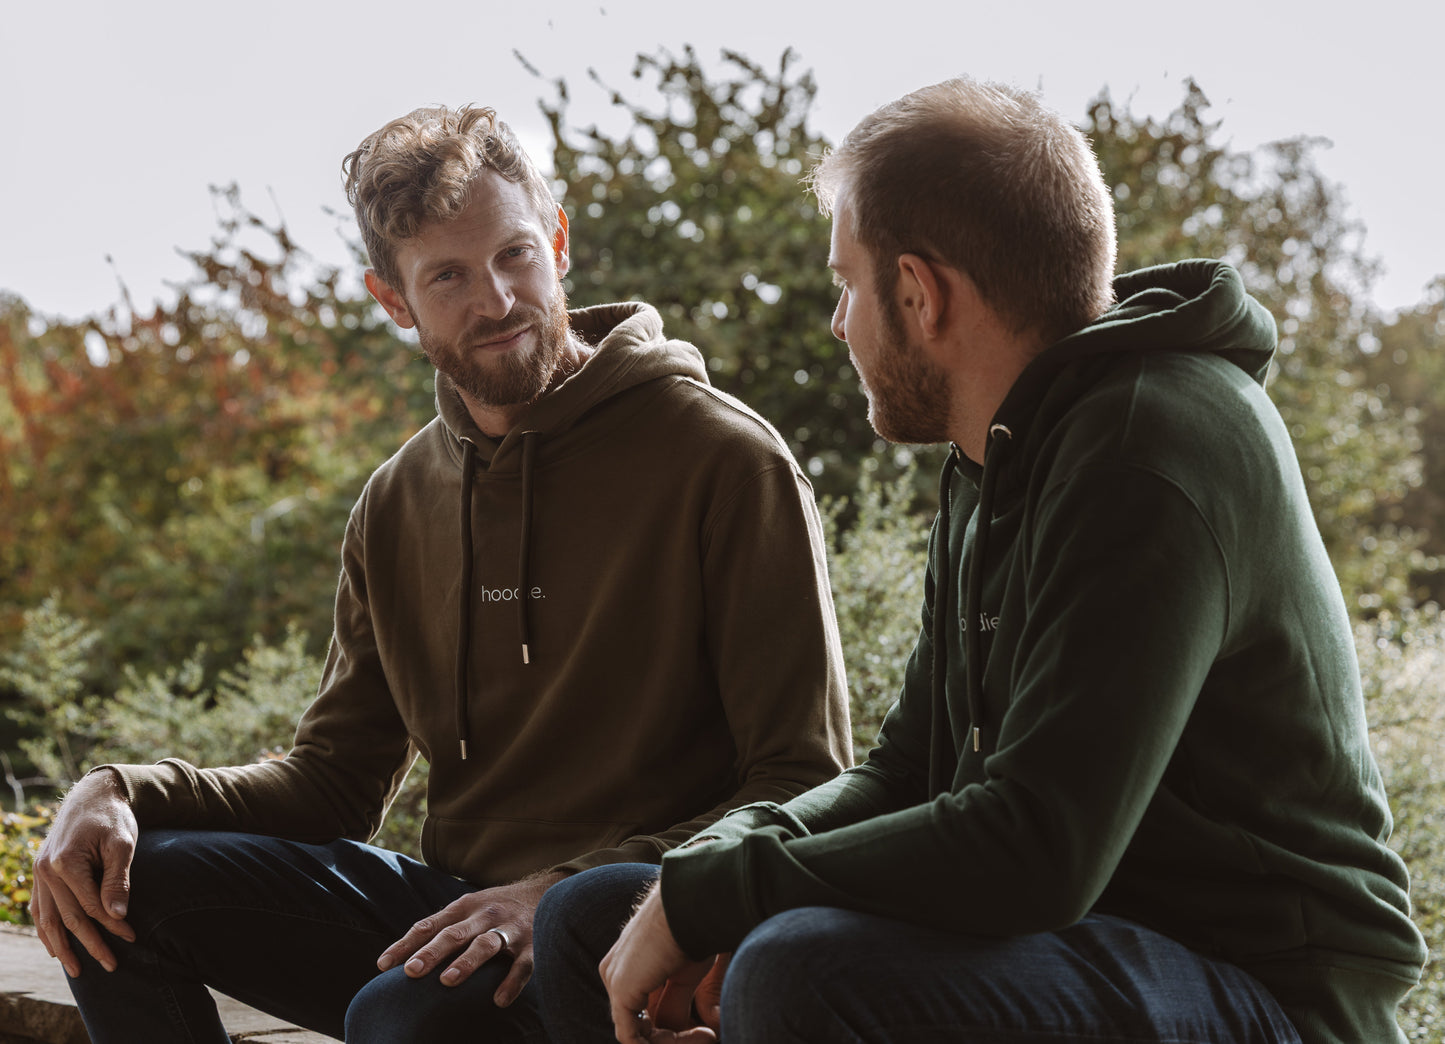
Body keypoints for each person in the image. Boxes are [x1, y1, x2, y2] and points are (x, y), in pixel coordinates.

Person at [531, 77, 1429, 1044]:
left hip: (1267, 991)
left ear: (919, 294)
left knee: (800, 971)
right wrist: (710, 868)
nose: (838, 323)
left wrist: (724, 897)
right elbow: (910, 768)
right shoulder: (993, 459)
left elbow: (1037, 847)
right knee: (595, 921)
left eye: (846, 284)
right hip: (1091, 940)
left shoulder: (1150, 449)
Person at [30, 105, 852, 1044]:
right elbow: (333, 783)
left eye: (514, 255)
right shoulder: (396, 501)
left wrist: (559, 893)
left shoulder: (724, 460)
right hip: (460, 912)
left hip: (636, 924)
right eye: (449, 277)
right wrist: (120, 790)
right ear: (394, 302)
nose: (496, 301)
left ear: (559, 240)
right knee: (120, 888)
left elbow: (801, 778)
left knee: (405, 1016)